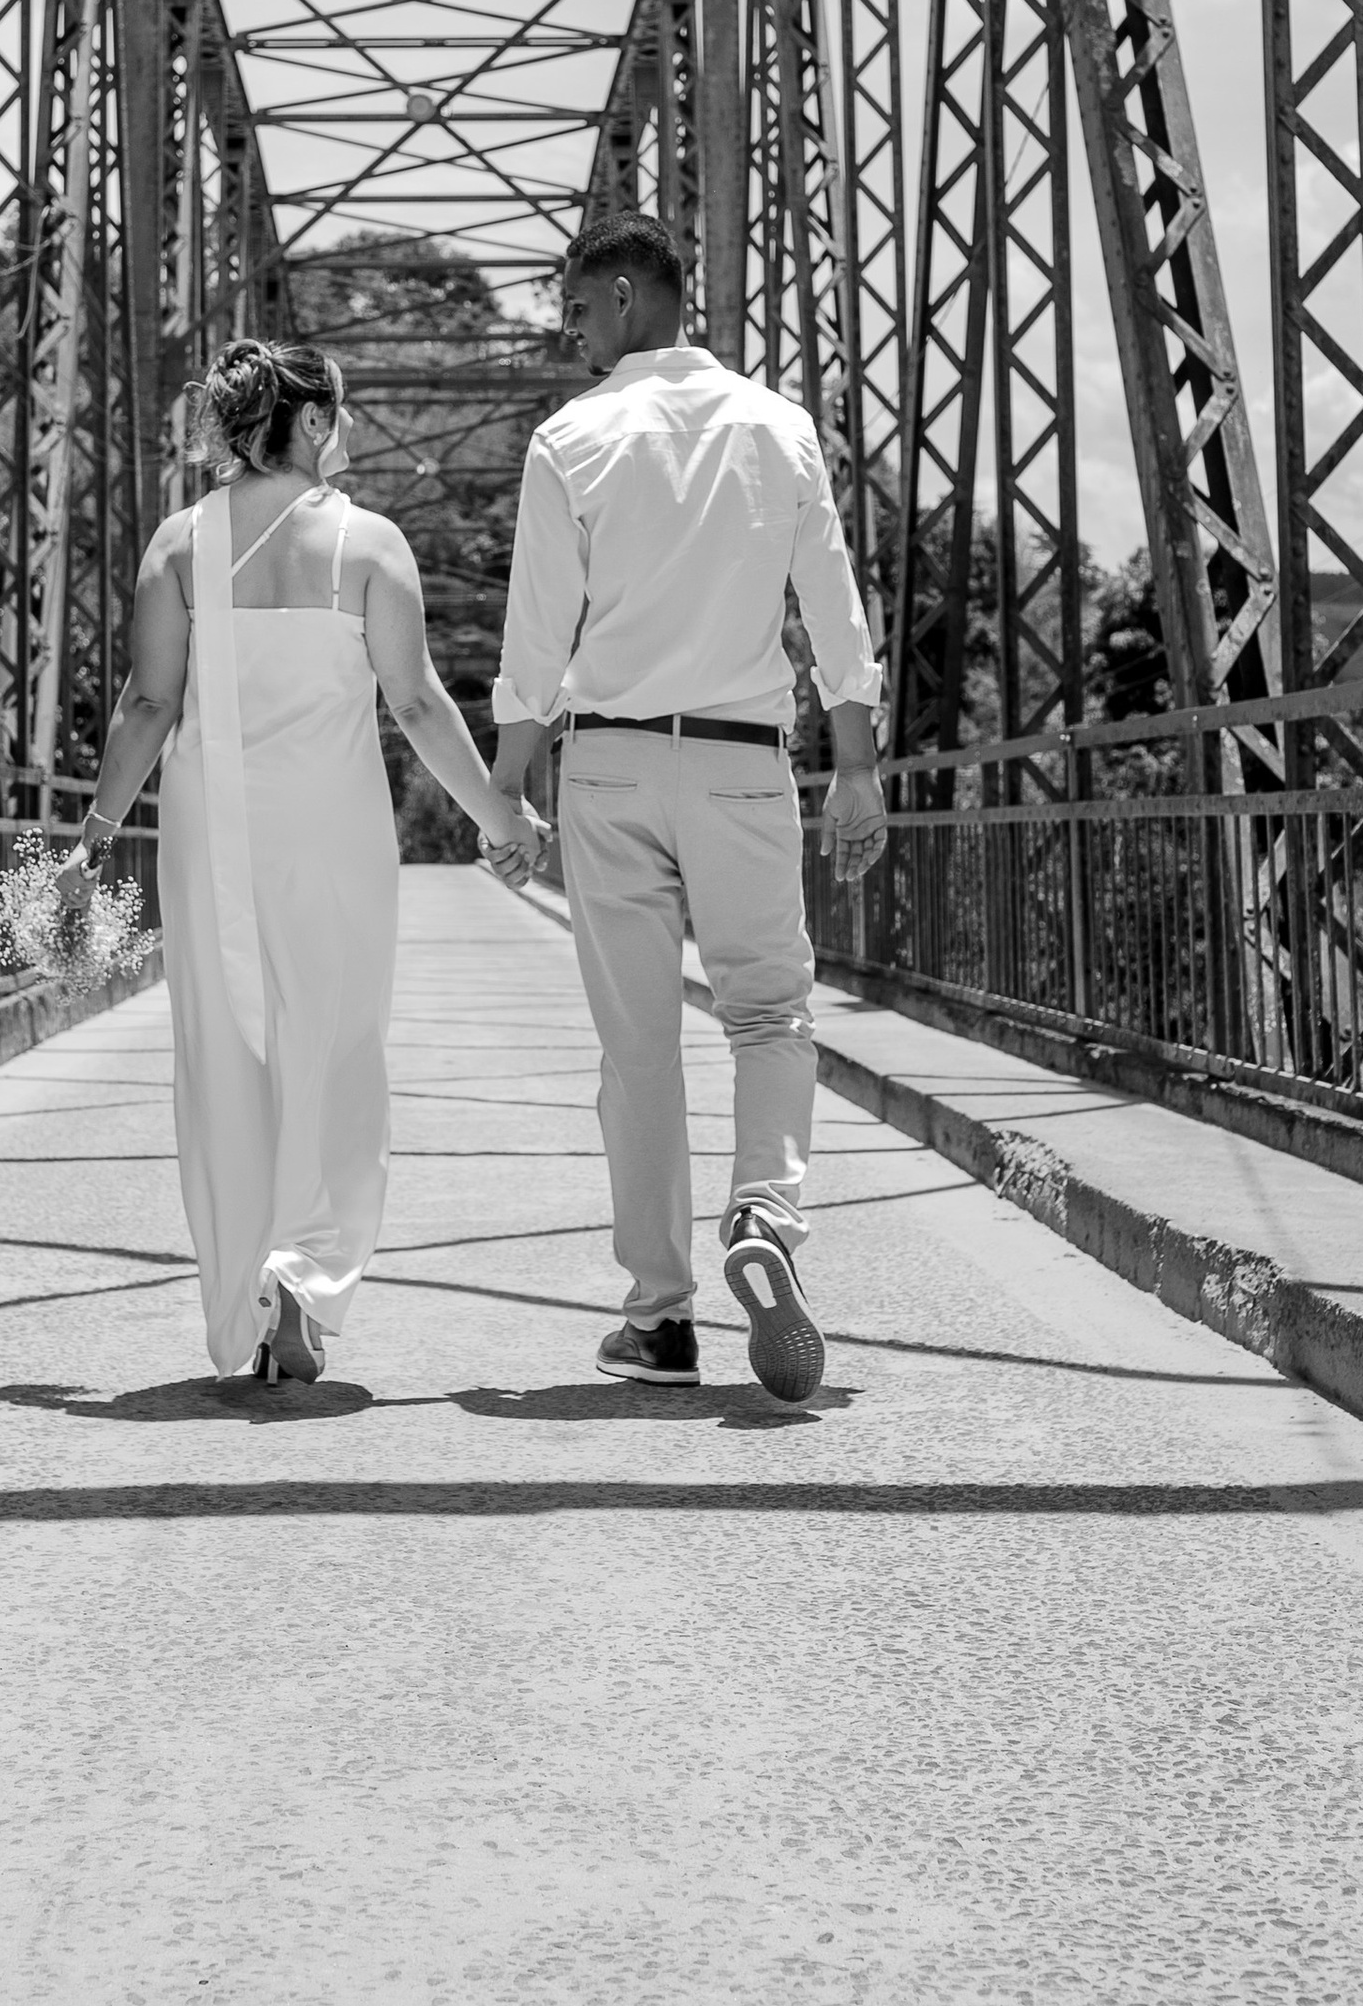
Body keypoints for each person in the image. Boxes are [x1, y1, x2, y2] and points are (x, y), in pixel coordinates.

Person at [67, 338, 541, 1387]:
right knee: (333, 1046)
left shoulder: (178, 544)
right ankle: (302, 1272)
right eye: (346, 409)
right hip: (334, 835)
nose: (354, 425)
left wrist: (94, 838)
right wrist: (499, 818)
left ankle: (248, 1285)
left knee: (228, 1056)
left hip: (211, 833)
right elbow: (414, 700)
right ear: (314, 421)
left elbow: (148, 704)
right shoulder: (368, 544)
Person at [489, 210, 889, 1405]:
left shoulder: (568, 438)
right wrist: (857, 766)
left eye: (574, 308)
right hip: (740, 763)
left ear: (624, 296)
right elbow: (833, 608)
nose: (569, 333)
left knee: (637, 1047)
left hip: (607, 765)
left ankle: (659, 1321)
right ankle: (764, 1213)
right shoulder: (778, 427)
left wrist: (506, 789)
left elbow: (533, 635)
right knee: (770, 1015)